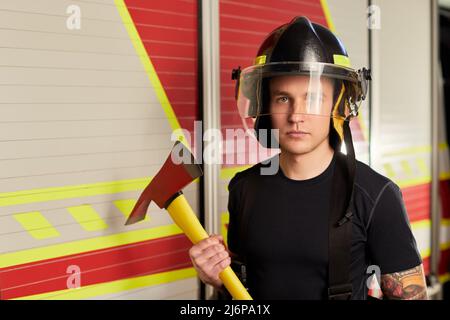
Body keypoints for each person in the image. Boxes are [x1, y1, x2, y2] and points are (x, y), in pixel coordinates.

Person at [189, 16, 427, 300]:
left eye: (312, 98)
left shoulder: (376, 196)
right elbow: (239, 294)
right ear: (264, 105)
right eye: (283, 98)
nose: (296, 116)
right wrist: (220, 280)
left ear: (337, 106)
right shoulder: (244, 188)